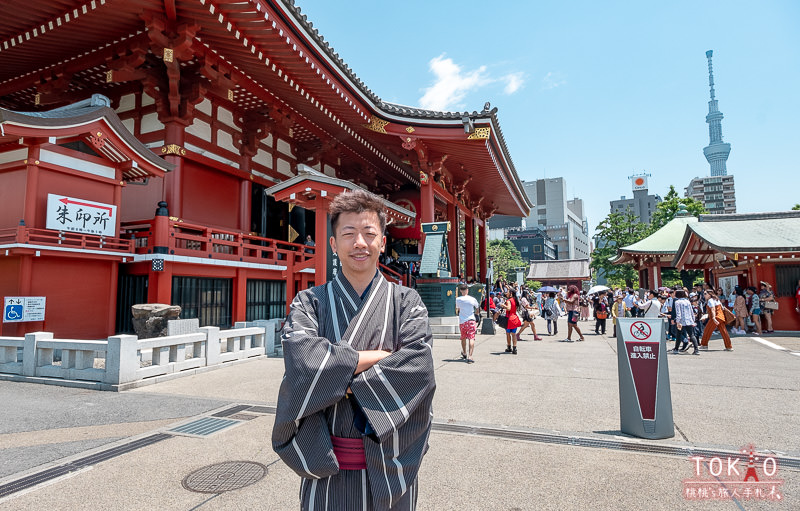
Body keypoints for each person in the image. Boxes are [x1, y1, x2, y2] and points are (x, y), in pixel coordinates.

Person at [272, 189, 435, 510]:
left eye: (369, 233)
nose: (359, 242)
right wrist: (378, 359)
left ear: (383, 242)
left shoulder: (406, 303)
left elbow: (420, 370)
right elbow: (301, 364)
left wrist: (333, 376)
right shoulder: (310, 303)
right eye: (348, 234)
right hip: (326, 468)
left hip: (392, 468)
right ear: (333, 244)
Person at [456, 283, 480, 363]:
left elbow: (458, 309)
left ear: (460, 291)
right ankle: (470, 356)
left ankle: (464, 352)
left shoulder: (458, 299)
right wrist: (476, 314)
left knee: (463, 337)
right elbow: (477, 308)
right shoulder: (472, 299)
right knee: (471, 337)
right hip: (471, 320)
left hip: (462, 321)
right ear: (467, 290)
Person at [673, 290, 699, 355]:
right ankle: (696, 350)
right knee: (692, 335)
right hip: (689, 320)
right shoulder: (687, 301)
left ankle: (676, 348)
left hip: (681, 321)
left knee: (679, 334)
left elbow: (678, 313)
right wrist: (693, 320)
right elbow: (691, 311)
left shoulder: (677, 302)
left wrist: (677, 321)